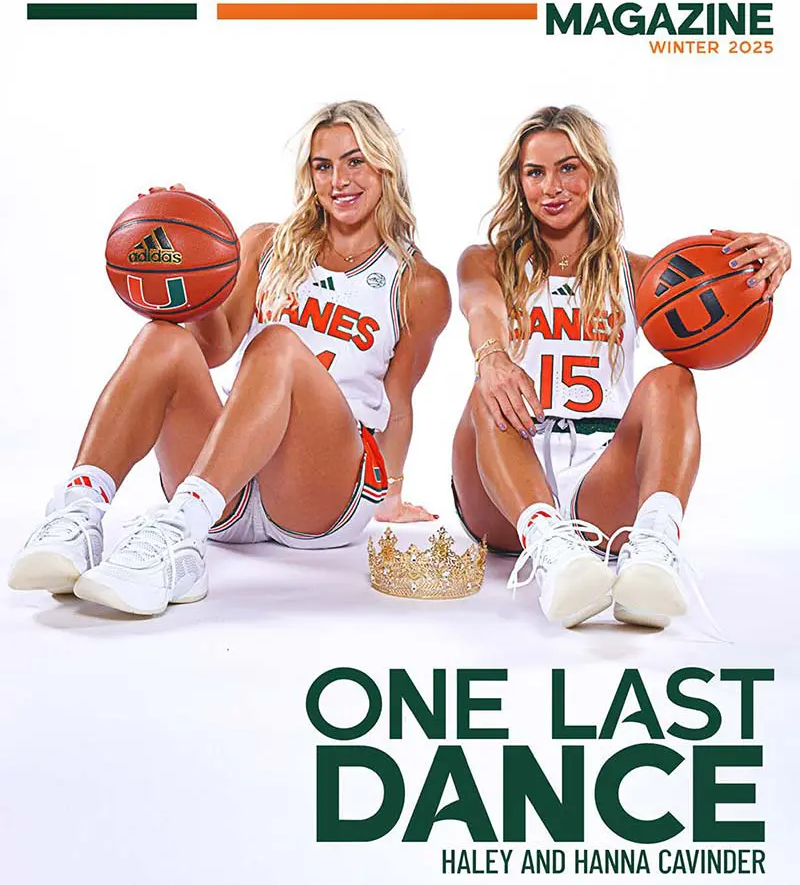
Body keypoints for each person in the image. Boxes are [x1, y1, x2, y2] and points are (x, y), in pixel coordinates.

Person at [9, 100, 451, 616]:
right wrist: (178, 248)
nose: (339, 180)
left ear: (385, 165)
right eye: (323, 165)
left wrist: (393, 495)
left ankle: (178, 529)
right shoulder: (267, 244)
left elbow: (396, 402)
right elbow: (214, 347)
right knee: (162, 338)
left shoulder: (417, 282)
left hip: (320, 491)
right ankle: (80, 514)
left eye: (355, 161)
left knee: (277, 345)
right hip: (226, 481)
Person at [452, 105, 791, 629]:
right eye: (535, 172)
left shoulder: (640, 273)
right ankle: (552, 553)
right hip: (502, 474)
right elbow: (482, 308)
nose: (552, 187)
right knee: (486, 386)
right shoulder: (486, 259)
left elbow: (716, 312)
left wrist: (766, 261)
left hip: (600, 474)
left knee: (673, 379)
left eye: (569, 167)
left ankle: (654, 551)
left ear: (595, 171)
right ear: (518, 182)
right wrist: (493, 356)